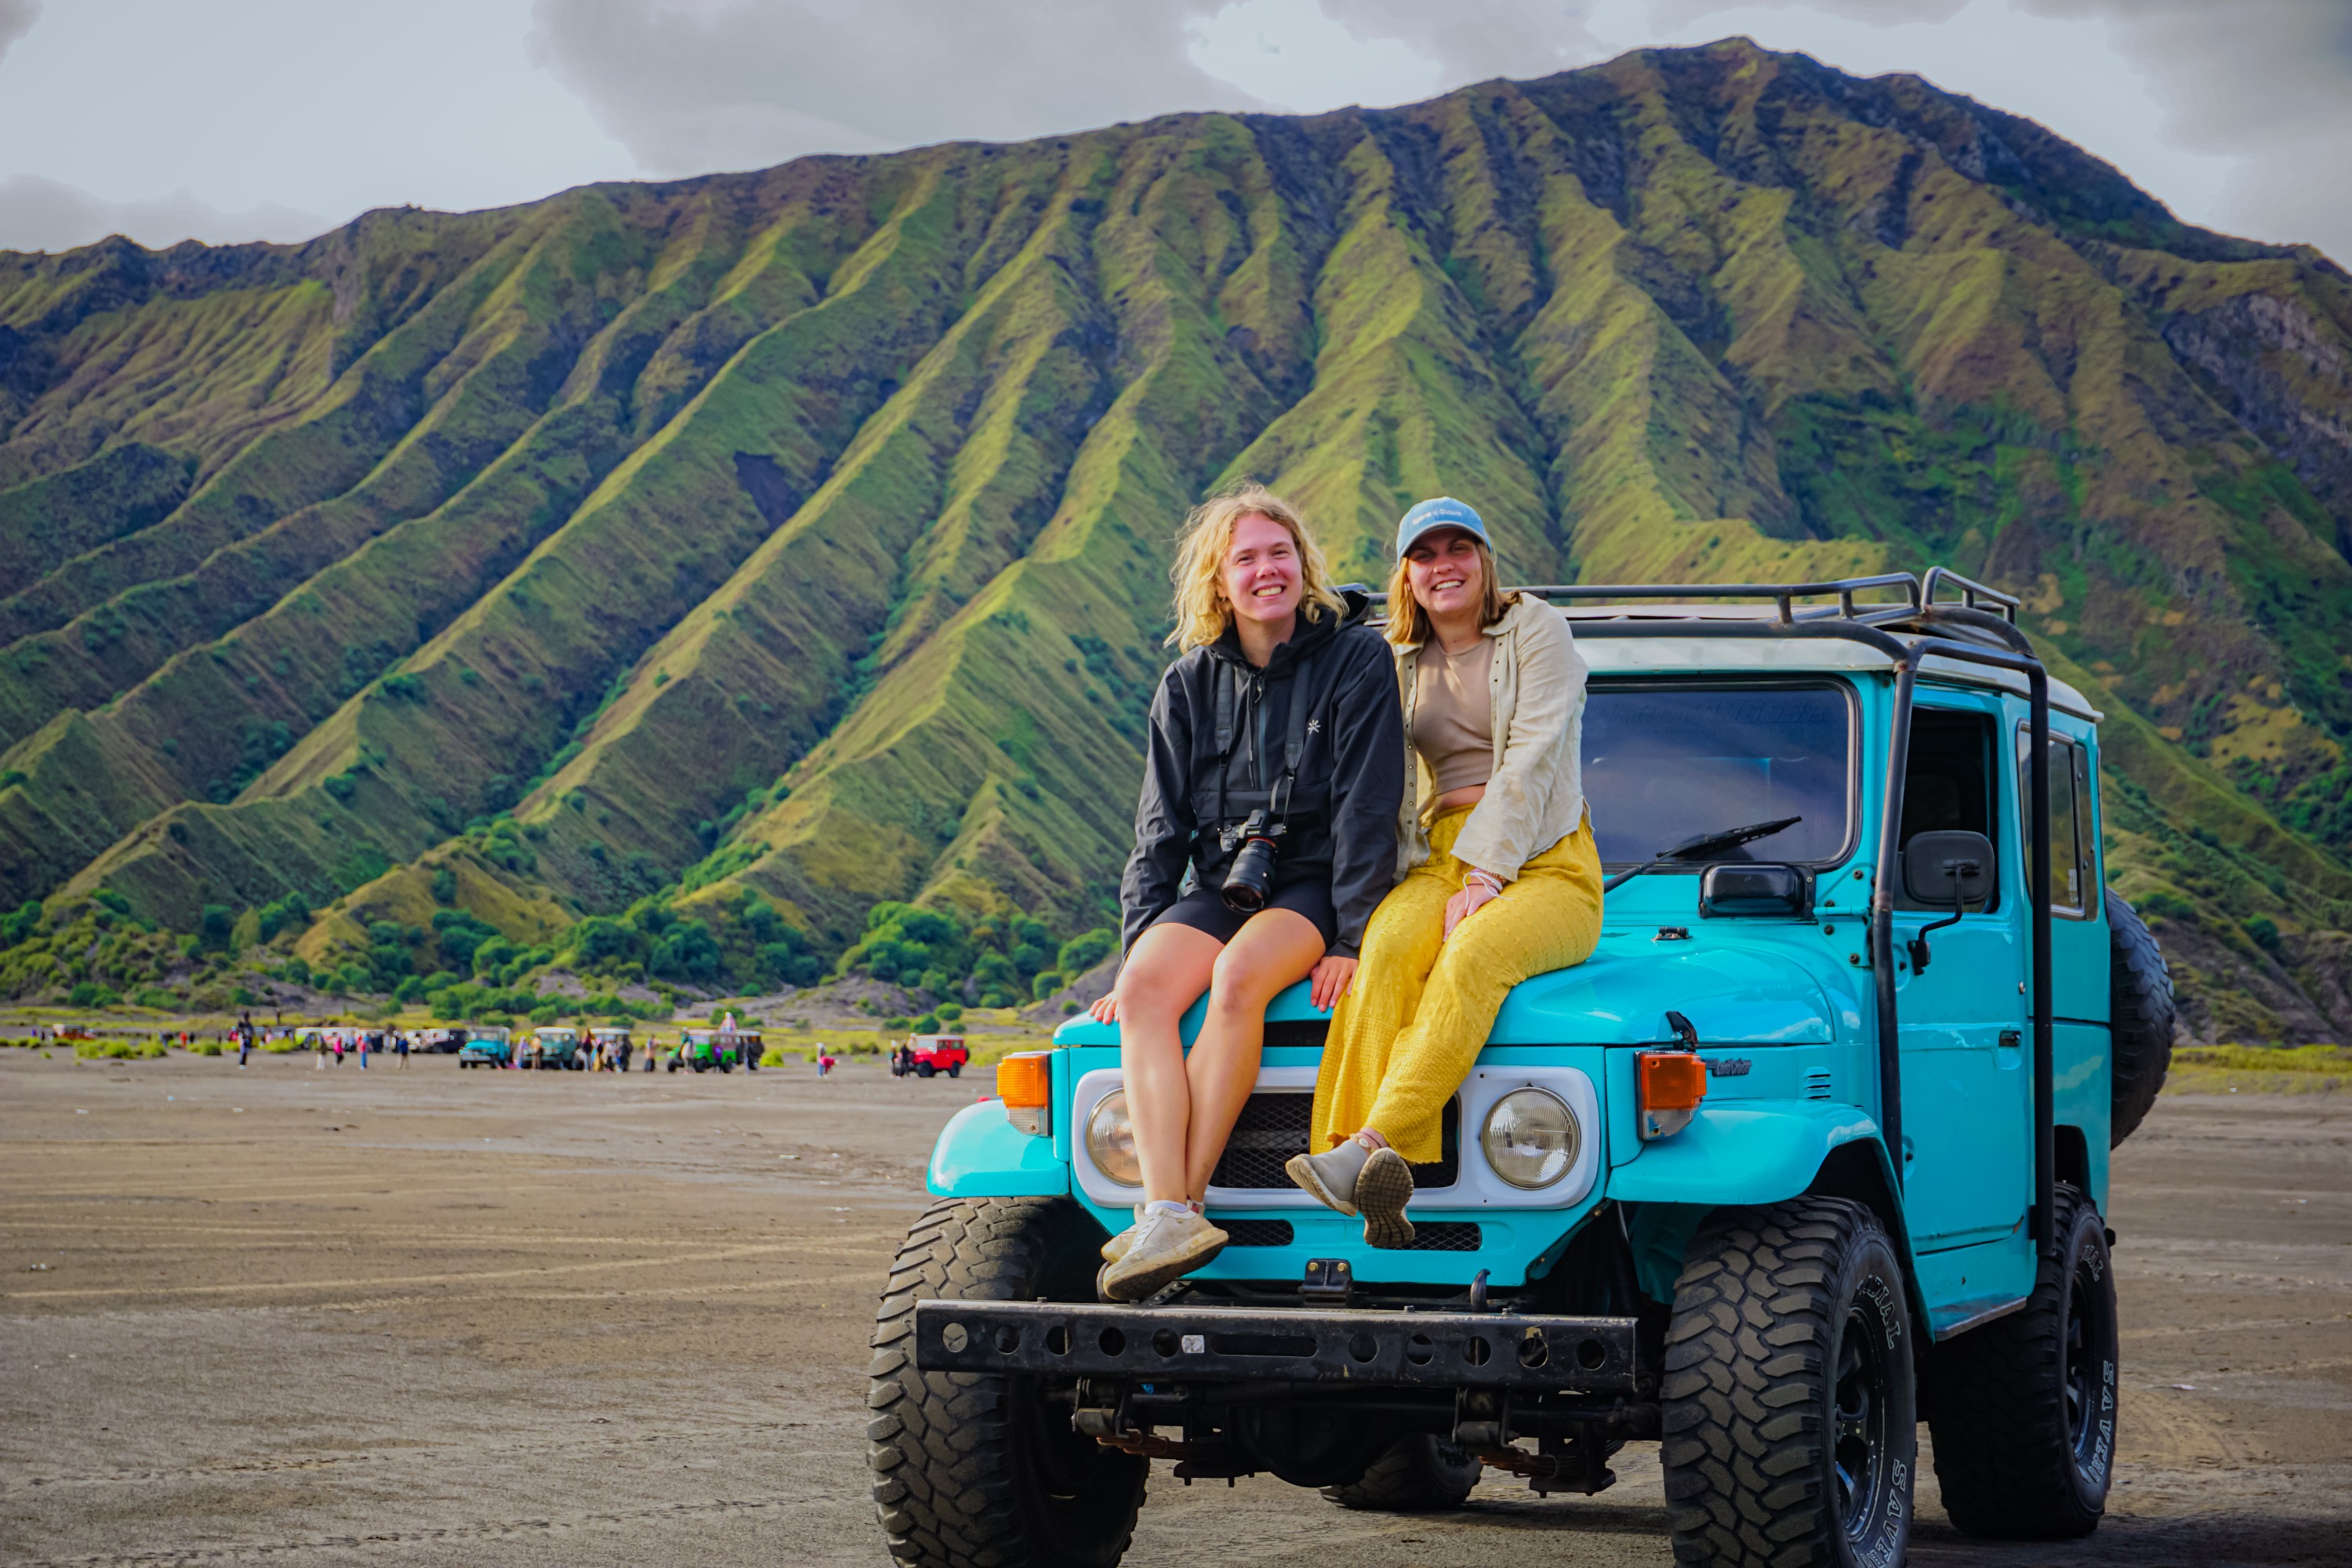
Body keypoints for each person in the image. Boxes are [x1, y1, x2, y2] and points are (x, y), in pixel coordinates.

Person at [1090, 484, 1404, 1302]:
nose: (1268, 570)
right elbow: (1156, 830)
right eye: (1247, 559)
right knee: (1148, 988)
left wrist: (1353, 935)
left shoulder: (1357, 657)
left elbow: (1370, 803)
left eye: (1280, 552)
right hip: (1224, 880)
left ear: (1304, 563)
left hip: (1314, 884)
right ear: (1217, 582)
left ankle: (1175, 1206)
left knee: (1237, 982)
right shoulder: (1188, 683)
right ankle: (1169, 1208)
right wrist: (1135, 947)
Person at [1287, 498, 1602, 1247]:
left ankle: (1368, 1146)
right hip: (1438, 852)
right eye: (1425, 555)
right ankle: (1362, 1174)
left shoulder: (1538, 629)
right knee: (1387, 952)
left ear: (1485, 559)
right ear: (1407, 574)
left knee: (1473, 954)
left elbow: (1532, 756)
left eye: (1460, 547)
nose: (1444, 565)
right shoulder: (1392, 656)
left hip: (1547, 859)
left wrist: (1487, 877)